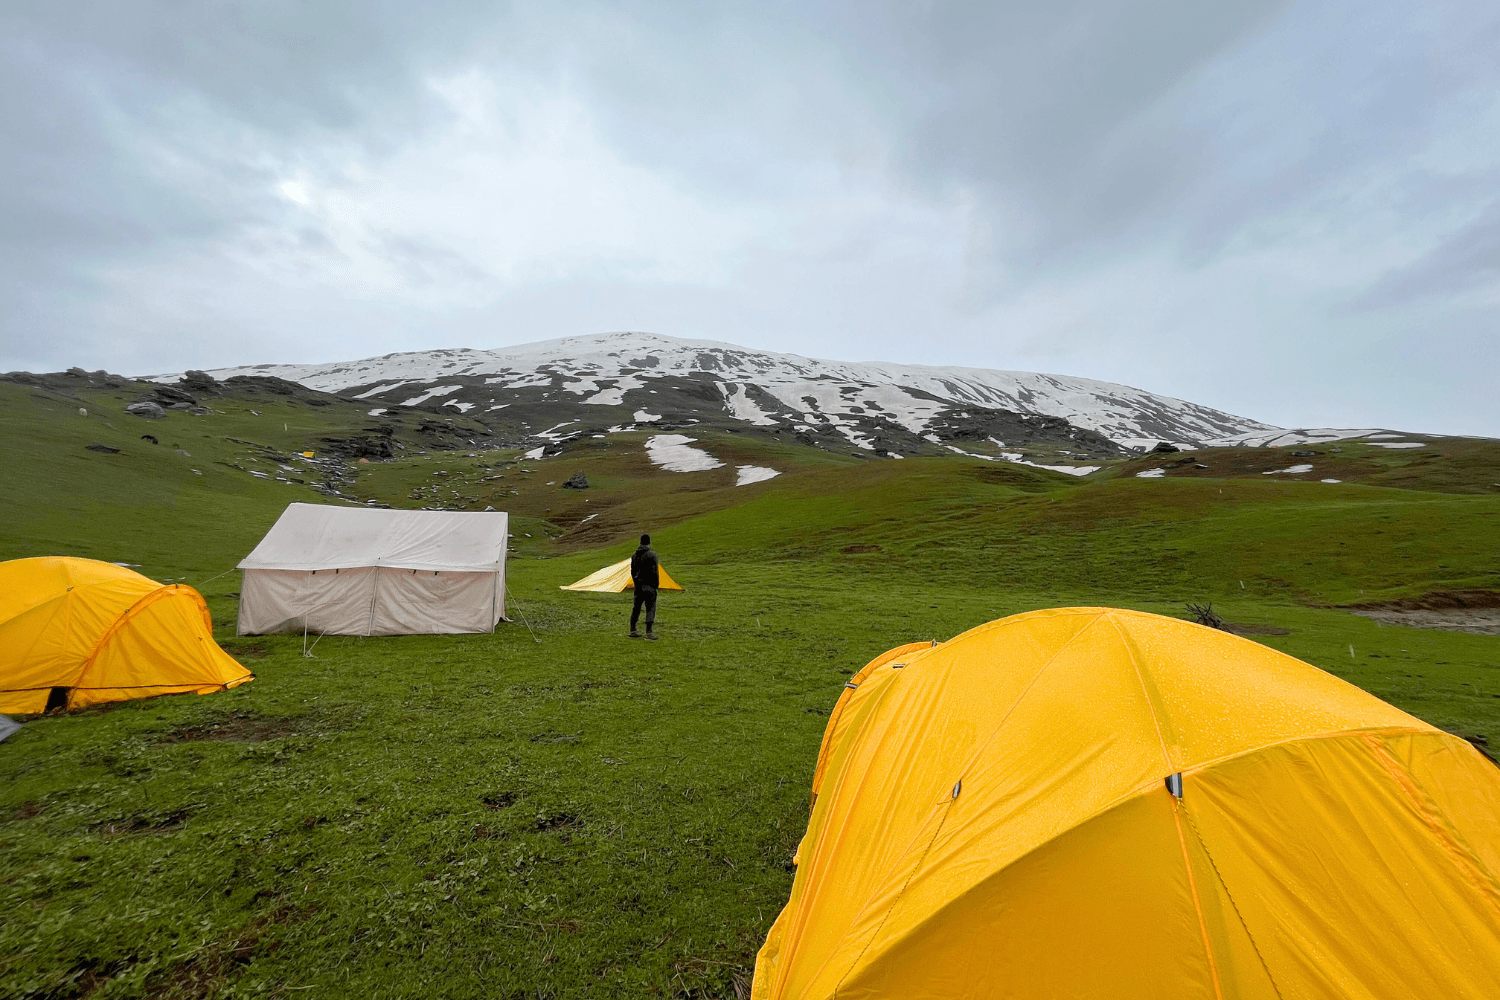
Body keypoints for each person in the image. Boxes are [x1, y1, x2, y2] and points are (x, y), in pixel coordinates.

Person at [629, 533, 660, 640]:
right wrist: (655, 585)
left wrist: (636, 582)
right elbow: (655, 571)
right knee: (650, 608)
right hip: (649, 585)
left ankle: (633, 629)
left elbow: (632, 571)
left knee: (636, 607)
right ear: (649, 542)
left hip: (638, 585)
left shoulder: (634, 555)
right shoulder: (652, 555)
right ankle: (648, 632)